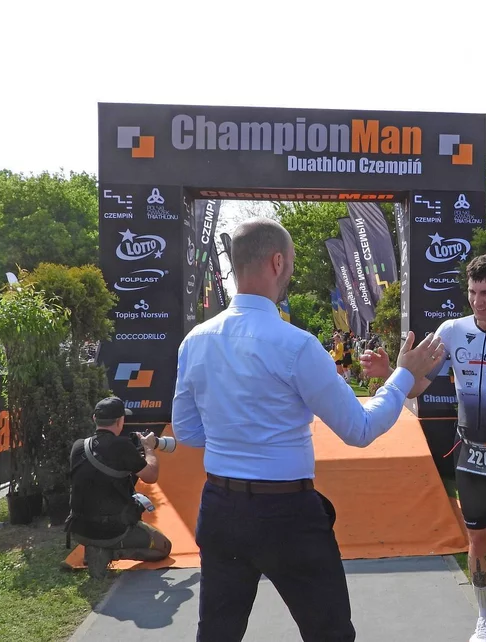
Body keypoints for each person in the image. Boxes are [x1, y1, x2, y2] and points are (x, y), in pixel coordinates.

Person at [171, 218, 443, 642]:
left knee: (217, 634)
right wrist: (404, 375)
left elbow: (187, 432)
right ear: (278, 262)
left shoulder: (196, 340)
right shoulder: (296, 345)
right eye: (292, 262)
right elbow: (359, 429)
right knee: (329, 633)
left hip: (221, 507)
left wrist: (237, 436)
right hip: (286, 513)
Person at [361, 252, 486, 642]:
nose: (477, 301)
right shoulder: (451, 331)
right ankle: (483, 620)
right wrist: (389, 373)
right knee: (477, 541)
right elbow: (418, 386)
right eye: (472, 292)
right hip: (467, 450)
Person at [65, 397, 172, 579]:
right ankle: (109, 553)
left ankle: (95, 549)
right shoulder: (122, 446)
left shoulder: (78, 446)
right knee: (163, 547)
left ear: (94, 418)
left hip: (79, 529)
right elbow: (151, 476)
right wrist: (148, 448)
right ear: (120, 421)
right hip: (113, 531)